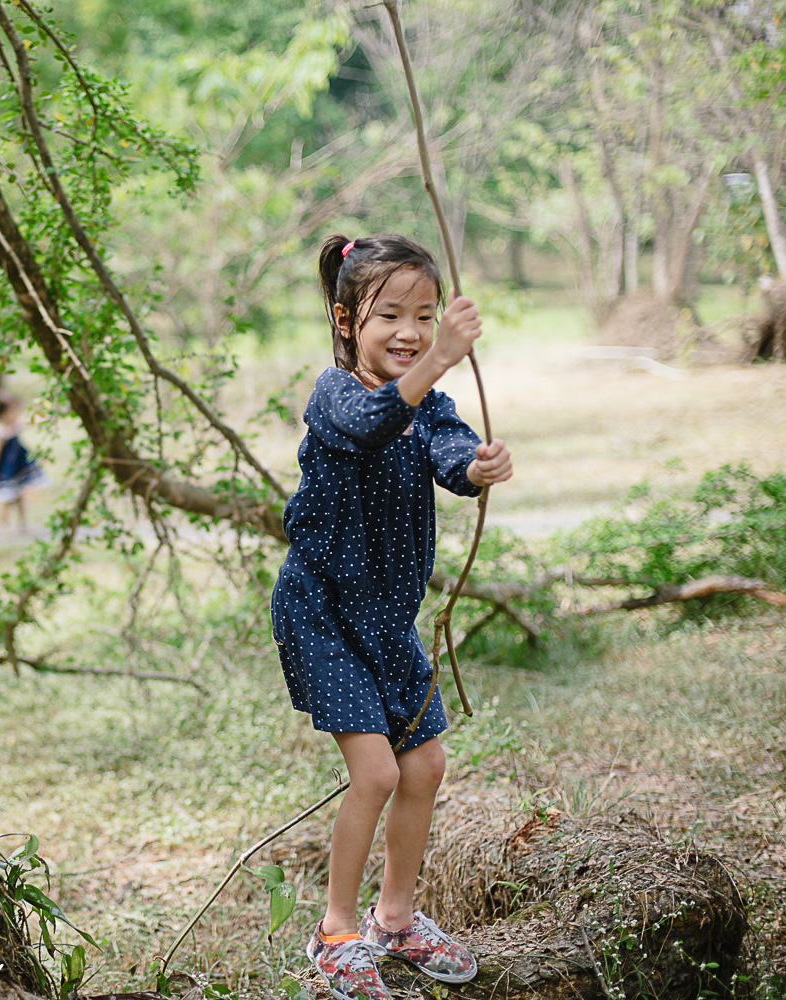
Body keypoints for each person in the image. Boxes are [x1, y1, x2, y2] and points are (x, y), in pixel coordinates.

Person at [273, 234, 513, 1000]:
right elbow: (374, 423)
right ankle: (336, 931)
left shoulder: (430, 404)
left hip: (385, 619)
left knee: (425, 764)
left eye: (425, 315)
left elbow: (449, 453)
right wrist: (438, 358)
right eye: (390, 316)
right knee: (376, 771)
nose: (410, 332)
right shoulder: (335, 394)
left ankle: (395, 919)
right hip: (322, 612)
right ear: (346, 320)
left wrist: (476, 466)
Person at [0, 392, 50, 531]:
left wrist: (48, 416)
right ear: (4, 414)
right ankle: (3, 527)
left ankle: (23, 526)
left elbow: (31, 421)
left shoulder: (16, 425)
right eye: (14, 410)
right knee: (6, 500)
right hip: (6, 470)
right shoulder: (0, 433)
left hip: (18, 467)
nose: (17, 413)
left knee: (20, 498)